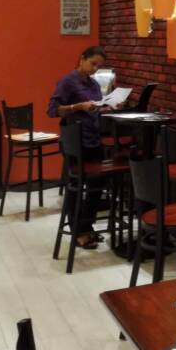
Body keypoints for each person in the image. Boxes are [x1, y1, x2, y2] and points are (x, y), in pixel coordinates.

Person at [47, 46, 110, 249]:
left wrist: (107, 106)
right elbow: (52, 111)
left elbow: (95, 107)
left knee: (96, 186)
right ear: (82, 58)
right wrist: (77, 107)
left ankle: (86, 226)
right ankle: (78, 232)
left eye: (99, 67)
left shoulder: (93, 84)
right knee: (75, 186)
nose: (95, 69)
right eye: (93, 64)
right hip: (75, 142)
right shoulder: (68, 81)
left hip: (93, 138)